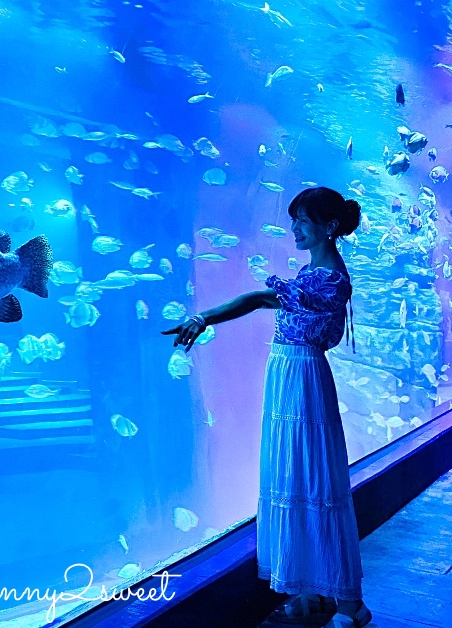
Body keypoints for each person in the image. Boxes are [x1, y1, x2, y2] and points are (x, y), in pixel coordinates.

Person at [162, 187, 370, 628]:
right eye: (293, 219)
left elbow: (260, 298)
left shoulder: (328, 278)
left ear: (328, 226)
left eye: (302, 220)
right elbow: (262, 301)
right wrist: (204, 319)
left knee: (312, 480)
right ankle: (311, 588)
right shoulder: (314, 270)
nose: (294, 227)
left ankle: (349, 601)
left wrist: (205, 318)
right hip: (289, 375)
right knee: (295, 476)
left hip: (303, 379)